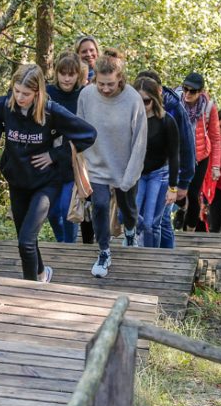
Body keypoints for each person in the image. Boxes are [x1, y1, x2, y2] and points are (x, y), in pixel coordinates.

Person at [0, 65, 96, 282]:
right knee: (27, 239)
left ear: (38, 92)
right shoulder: (3, 107)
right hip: (18, 181)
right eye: (16, 91)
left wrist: (55, 155)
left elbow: (88, 134)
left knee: (25, 241)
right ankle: (42, 274)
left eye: (26, 94)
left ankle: (29, 290)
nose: (19, 97)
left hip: (46, 183)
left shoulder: (51, 111)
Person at [77, 50, 148, 277]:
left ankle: (130, 231)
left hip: (124, 165)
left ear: (120, 78)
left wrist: (130, 176)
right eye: (101, 84)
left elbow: (140, 140)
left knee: (128, 210)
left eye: (110, 84)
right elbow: (79, 129)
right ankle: (104, 250)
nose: (106, 89)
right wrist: (80, 167)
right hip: (96, 163)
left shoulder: (133, 99)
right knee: (98, 205)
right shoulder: (86, 96)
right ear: (94, 77)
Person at [134, 70, 195, 249]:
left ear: (156, 95)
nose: (142, 105)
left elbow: (182, 150)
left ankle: (159, 257)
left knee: (154, 222)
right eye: (139, 101)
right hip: (138, 172)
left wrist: (178, 185)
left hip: (161, 173)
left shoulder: (171, 116)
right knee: (132, 217)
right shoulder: (133, 118)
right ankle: (137, 247)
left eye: (146, 101)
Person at [46, 52, 89, 243]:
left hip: (73, 159)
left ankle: (69, 245)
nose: (67, 78)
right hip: (49, 160)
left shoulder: (83, 95)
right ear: (57, 73)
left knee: (66, 208)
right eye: (63, 73)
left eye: (71, 74)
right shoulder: (48, 92)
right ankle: (61, 241)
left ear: (78, 75)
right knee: (52, 211)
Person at [176, 72, 221, 232]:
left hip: (200, 157)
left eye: (192, 91)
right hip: (178, 156)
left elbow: (215, 138)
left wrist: (216, 166)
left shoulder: (209, 107)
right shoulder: (174, 101)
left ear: (200, 92)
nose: (187, 94)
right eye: (185, 89)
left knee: (194, 194)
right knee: (176, 193)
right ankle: (182, 207)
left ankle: (189, 232)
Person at [73, 34, 101, 244]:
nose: (89, 54)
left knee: (100, 193)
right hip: (82, 145)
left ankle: (103, 236)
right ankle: (87, 240)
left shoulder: (105, 74)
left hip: (102, 143)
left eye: (92, 50)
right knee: (85, 191)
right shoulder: (74, 78)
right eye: (84, 51)